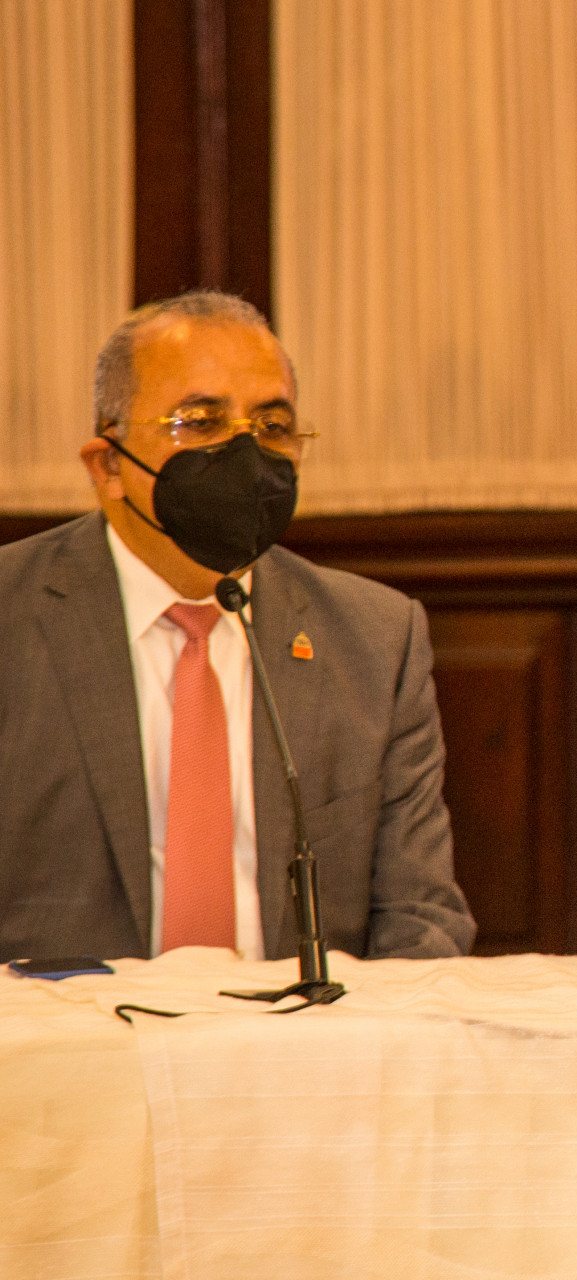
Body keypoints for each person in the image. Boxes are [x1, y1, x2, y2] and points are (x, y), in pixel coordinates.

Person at [0, 290, 475, 963]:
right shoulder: (14, 617)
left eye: (272, 425)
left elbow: (419, 919)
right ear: (107, 466)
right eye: (201, 421)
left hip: (302, 1026)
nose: (244, 454)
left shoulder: (374, 638)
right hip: (62, 1027)